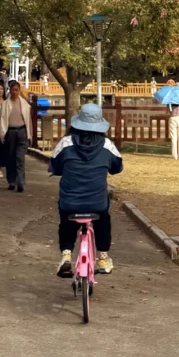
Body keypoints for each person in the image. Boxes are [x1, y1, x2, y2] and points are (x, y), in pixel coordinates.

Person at [49, 102, 123, 277]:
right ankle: (103, 257)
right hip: (96, 202)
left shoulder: (65, 143)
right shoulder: (107, 145)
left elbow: (54, 164)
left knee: (66, 220)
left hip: (70, 202)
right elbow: (117, 166)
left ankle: (66, 254)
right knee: (103, 218)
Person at [1, 79, 32, 191]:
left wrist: (29, 135)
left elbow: (29, 121)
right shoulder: (5, 104)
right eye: (12, 90)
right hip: (10, 132)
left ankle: (20, 182)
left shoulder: (24, 104)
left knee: (20, 158)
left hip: (22, 131)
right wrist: (2, 134)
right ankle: (11, 181)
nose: (14, 92)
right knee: (11, 157)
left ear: (19, 91)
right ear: (10, 90)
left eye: (16, 90)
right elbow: (2, 120)